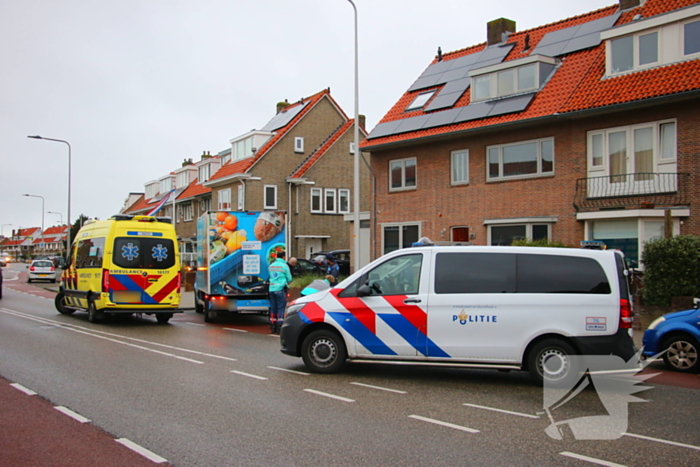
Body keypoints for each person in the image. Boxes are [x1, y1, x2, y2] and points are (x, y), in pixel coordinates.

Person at [268, 251, 292, 334]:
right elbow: (289, 279)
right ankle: (279, 326)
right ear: (283, 257)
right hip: (280, 289)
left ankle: (273, 326)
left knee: (273, 307)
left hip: (271, 289)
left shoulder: (271, 266)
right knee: (280, 308)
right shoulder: (284, 266)